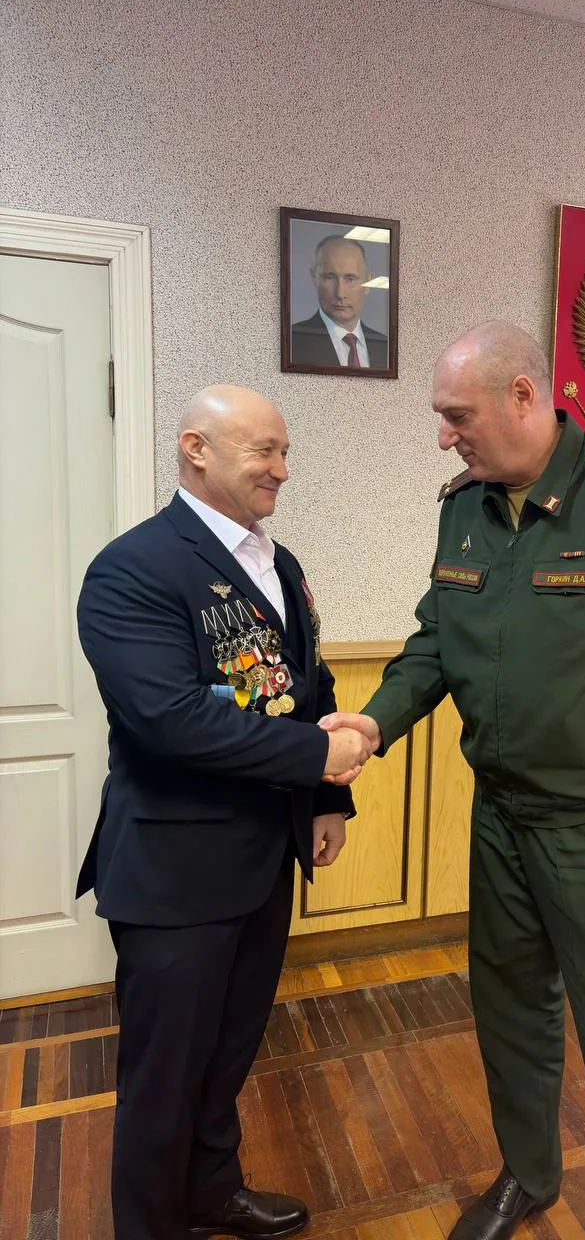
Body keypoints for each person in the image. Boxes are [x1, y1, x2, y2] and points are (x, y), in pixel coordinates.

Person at [321, 322, 585, 1240]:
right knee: (510, 1009)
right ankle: (528, 1174)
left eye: (456, 416)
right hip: (501, 814)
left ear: (522, 396)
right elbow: (437, 638)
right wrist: (375, 721)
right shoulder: (464, 508)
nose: (444, 437)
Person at [76, 384, 373, 1240]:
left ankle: (211, 1191)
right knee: (163, 1077)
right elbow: (168, 719)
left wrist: (327, 799)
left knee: (228, 1052)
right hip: (175, 875)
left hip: (262, 859)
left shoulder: (279, 564)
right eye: (262, 451)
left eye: (285, 452)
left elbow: (307, 685)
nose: (281, 470)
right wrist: (316, 758)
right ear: (196, 449)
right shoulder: (133, 568)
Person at [291, 235, 388, 369]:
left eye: (350, 279)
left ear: (368, 283)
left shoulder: (386, 347)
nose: (340, 293)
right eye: (330, 278)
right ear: (314, 279)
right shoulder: (292, 342)